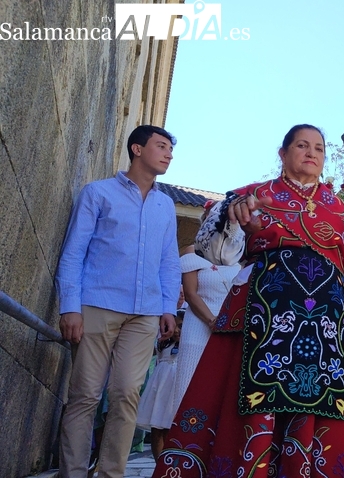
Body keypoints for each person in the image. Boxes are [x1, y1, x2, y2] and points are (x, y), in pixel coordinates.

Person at [153, 124, 344, 477]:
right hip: (261, 318)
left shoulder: (342, 212)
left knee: (315, 409)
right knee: (250, 404)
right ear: (283, 153)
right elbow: (216, 252)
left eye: (319, 148)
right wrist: (238, 223)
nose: (312, 153)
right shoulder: (250, 196)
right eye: (302, 145)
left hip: (323, 328)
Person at [55, 125, 180, 478]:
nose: (168, 154)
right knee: (85, 395)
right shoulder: (98, 193)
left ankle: (111, 473)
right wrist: (70, 307)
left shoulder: (165, 205)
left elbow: (169, 260)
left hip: (145, 314)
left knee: (127, 394)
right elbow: (74, 252)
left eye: (171, 149)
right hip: (97, 305)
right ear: (137, 149)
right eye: (161, 146)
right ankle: (74, 473)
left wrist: (168, 306)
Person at [172, 207, 244, 412]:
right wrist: (212, 320)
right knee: (187, 384)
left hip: (226, 329)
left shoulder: (238, 260)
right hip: (198, 325)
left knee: (217, 390)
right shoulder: (192, 252)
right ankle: (181, 439)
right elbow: (191, 293)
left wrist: (226, 323)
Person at [136, 314, 183, 458]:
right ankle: (158, 466)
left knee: (170, 428)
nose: (176, 331)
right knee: (157, 428)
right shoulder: (162, 344)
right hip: (160, 389)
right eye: (173, 326)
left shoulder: (189, 348)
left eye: (180, 326)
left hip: (176, 390)